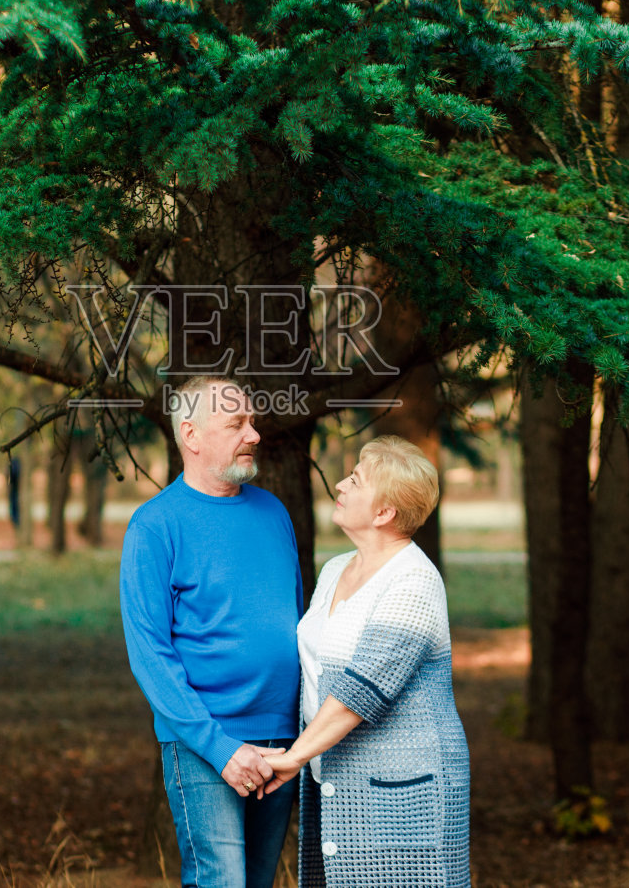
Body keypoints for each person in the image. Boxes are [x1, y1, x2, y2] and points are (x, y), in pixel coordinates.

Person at [119, 376, 305, 888]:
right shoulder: (155, 526)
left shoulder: (274, 513)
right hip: (205, 741)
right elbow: (150, 655)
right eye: (236, 424)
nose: (254, 435)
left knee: (258, 880)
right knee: (221, 880)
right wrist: (221, 749)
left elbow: (294, 621)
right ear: (192, 435)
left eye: (252, 421)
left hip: (283, 740)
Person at [261, 435, 470, 888]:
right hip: (334, 782)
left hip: (404, 792)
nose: (339, 484)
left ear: (383, 513)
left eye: (355, 480)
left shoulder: (414, 581)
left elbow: (361, 690)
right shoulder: (335, 569)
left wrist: (292, 757)